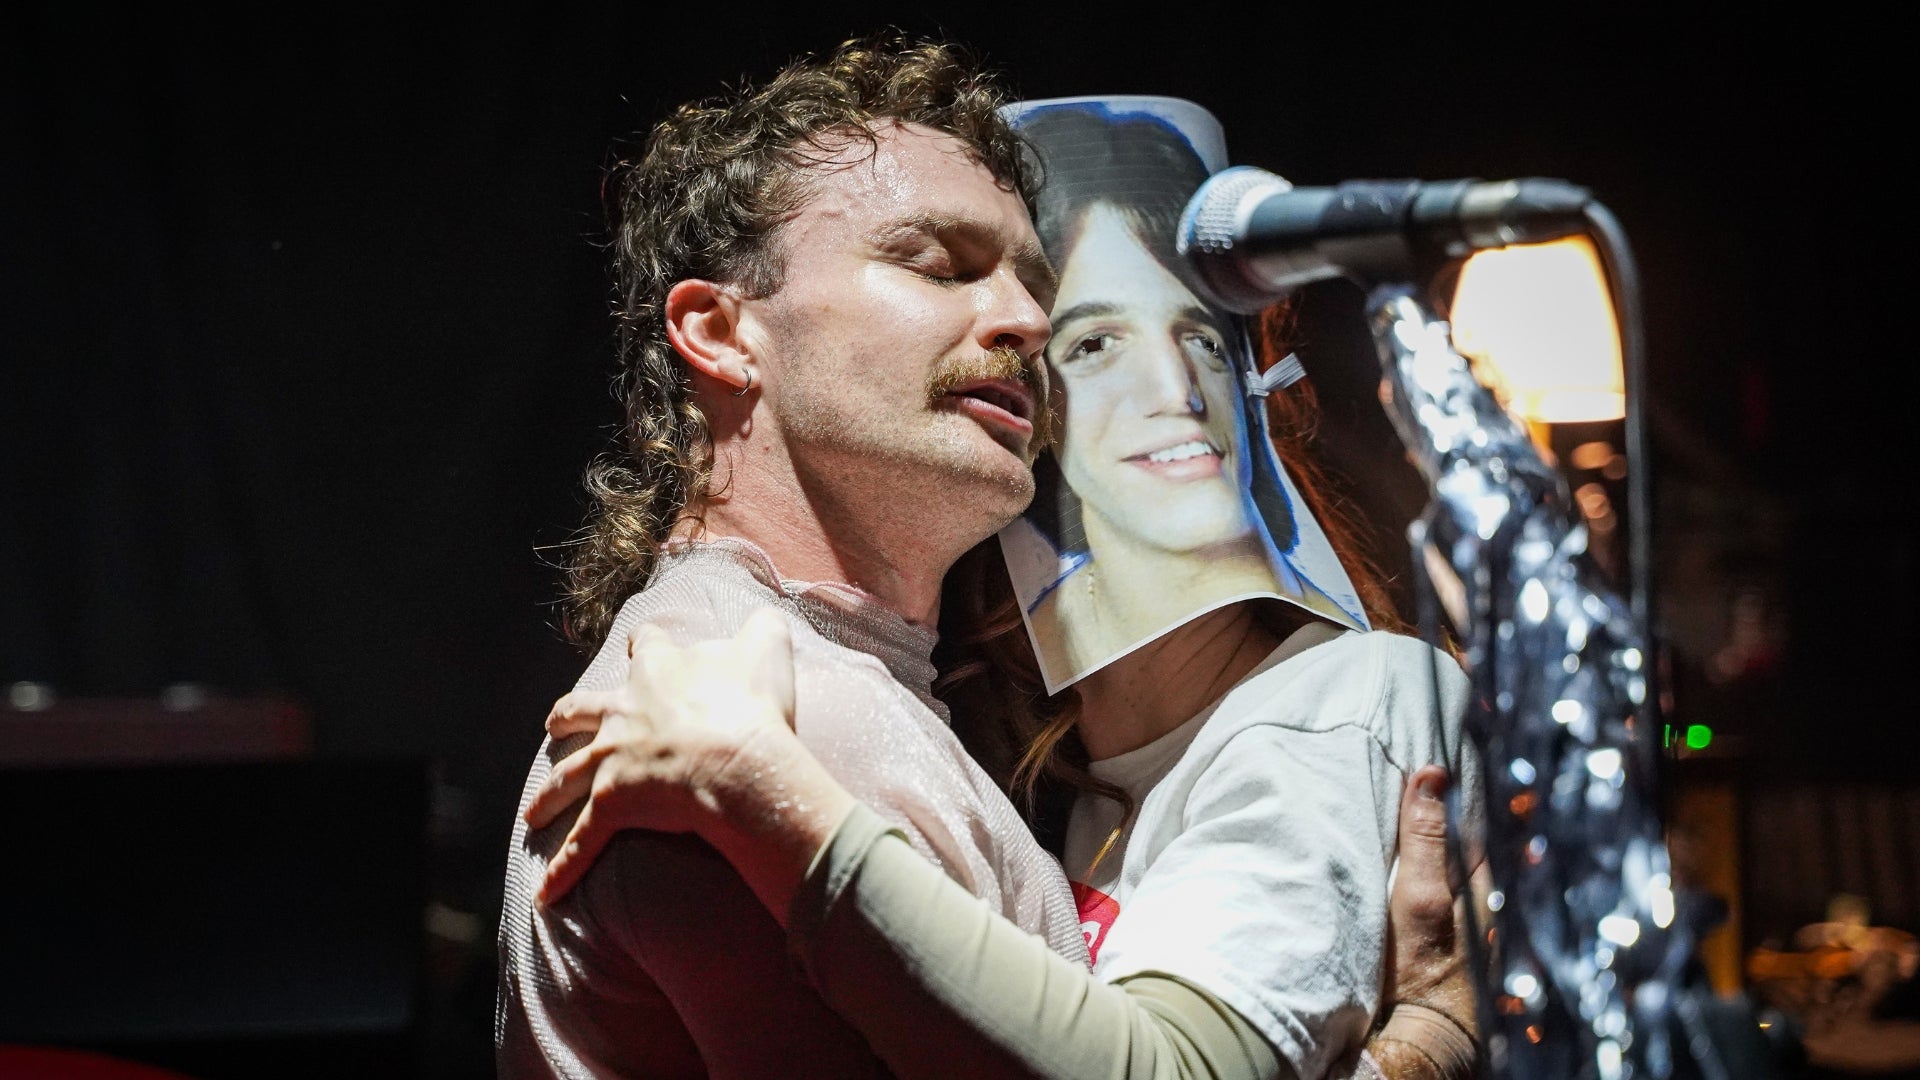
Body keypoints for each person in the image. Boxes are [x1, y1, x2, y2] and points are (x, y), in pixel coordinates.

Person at [511, 51, 1481, 1078]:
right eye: (938, 264)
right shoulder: (726, 709)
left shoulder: (845, 699)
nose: (1028, 323)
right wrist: (1428, 1049)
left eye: (1034, 283)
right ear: (720, 331)